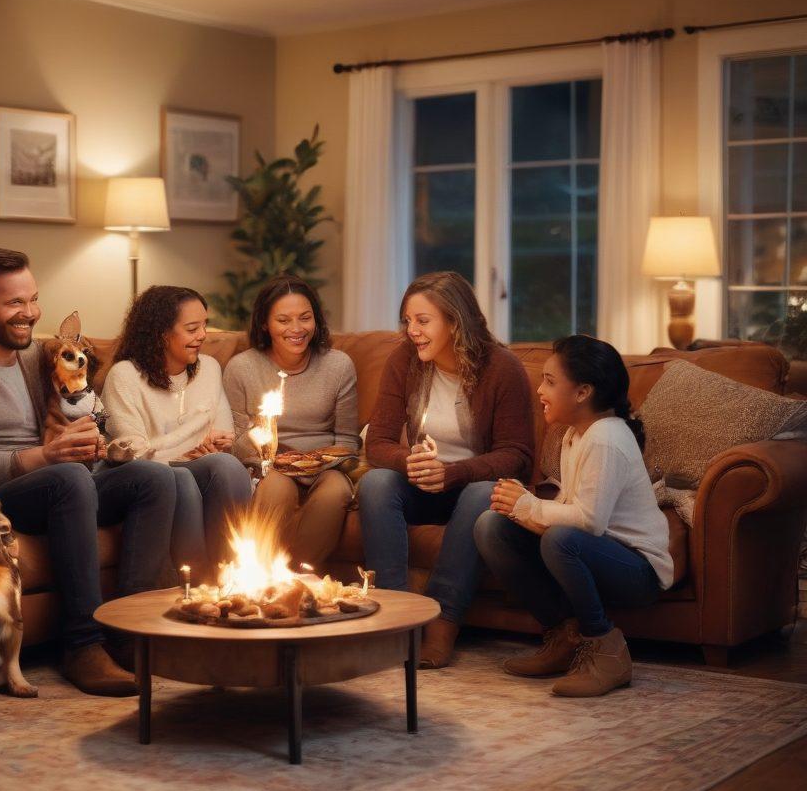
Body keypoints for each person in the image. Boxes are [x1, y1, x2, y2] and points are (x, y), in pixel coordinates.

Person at [0, 248, 178, 697]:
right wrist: (45, 456)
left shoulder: (35, 356)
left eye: (33, 300)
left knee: (155, 478)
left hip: (55, 480)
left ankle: (128, 632)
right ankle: (82, 645)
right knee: (69, 479)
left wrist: (91, 442)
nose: (30, 314)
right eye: (14, 303)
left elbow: (70, 416)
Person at [474, 335, 672, 698]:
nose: (539, 390)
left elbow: (589, 521)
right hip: (596, 552)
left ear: (582, 392)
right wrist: (517, 511)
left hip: (636, 570)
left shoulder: (606, 438)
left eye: (550, 381)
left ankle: (605, 649)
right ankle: (564, 638)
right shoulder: (573, 435)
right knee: (492, 527)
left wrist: (528, 506)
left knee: (560, 538)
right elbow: (572, 512)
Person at [358, 271, 534, 669]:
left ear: (455, 321)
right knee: (376, 483)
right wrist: (408, 460)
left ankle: (442, 621)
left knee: (479, 492)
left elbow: (517, 453)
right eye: (407, 321)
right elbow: (379, 442)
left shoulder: (501, 368)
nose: (412, 331)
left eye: (423, 321)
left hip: (472, 486)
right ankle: (394, 614)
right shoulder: (405, 361)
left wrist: (454, 473)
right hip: (422, 484)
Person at [101, 285, 252, 573]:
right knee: (181, 480)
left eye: (204, 325)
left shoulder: (208, 368)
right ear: (161, 333)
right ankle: (194, 587)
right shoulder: (125, 377)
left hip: (196, 467)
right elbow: (136, 452)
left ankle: (230, 576)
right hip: (145, 478)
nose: (203, 336)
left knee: (228, 466)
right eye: (192, 328)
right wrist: (191, 447)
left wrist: (211, 447)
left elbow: (224, 437)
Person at [223, 274, 360, 566]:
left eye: (305, 318)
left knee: (336, 493)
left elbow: (348, 440)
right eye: (283, 320)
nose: (296, 329)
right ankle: (261, 573)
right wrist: (274, 460)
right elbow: (235, 440)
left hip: (326, 465)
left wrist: (316, 461)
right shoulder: (241, 368)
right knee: (276, 490)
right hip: (269, 464)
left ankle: (298, 578)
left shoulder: (338, 365)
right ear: (265, 323)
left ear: (316, 320)